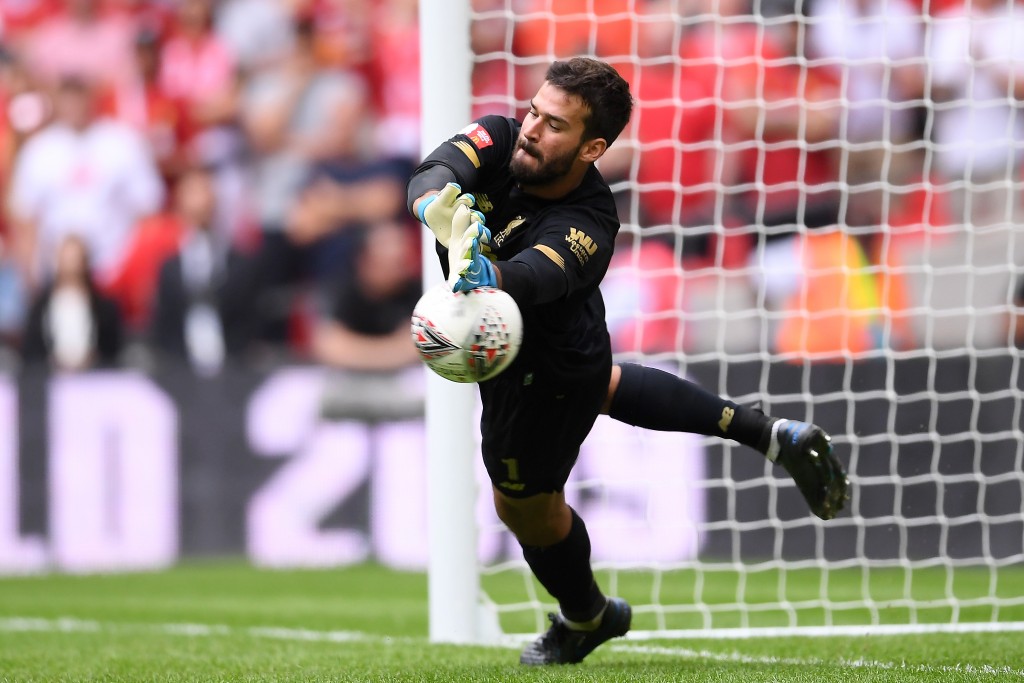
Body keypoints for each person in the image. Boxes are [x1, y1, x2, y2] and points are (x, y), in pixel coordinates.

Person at [407, 57, 850, 666]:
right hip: (557, 353)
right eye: (534, 110)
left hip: (543, 371)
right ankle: (770, 434)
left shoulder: (591, 220)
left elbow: (537, 275)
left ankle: (588, 616)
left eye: (554, 125)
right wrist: (434, 206)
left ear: (592, 147)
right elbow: (436, 168)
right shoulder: (504, 137)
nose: (533, 128)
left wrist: (489, 273)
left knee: (523, 505)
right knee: (606, 385)